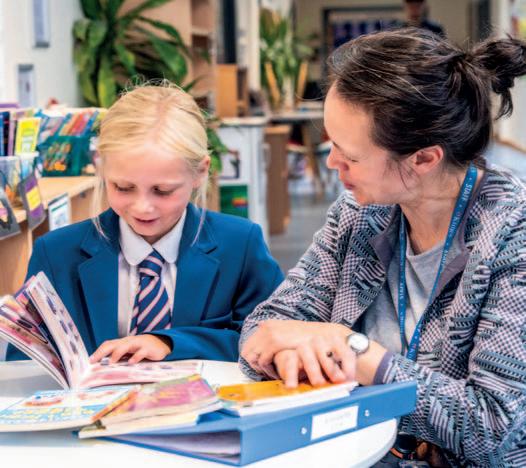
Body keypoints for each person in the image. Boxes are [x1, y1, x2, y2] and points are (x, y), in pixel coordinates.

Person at [240, 28, 526, 466]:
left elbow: (491, 427)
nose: (332, 162)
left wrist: (350, 349)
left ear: (423, 159)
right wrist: (295, 349)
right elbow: (266, 329)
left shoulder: (512, 235)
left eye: (350, 155)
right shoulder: (360, 214)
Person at [7, 83, 283, 364]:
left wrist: (171, 343)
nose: (142, 207)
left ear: (200, 172)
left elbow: (274, 338)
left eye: (162, 191)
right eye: (123, 188)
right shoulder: (56, 253)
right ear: (101, 167)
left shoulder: (240, 244)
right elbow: (24, 360)